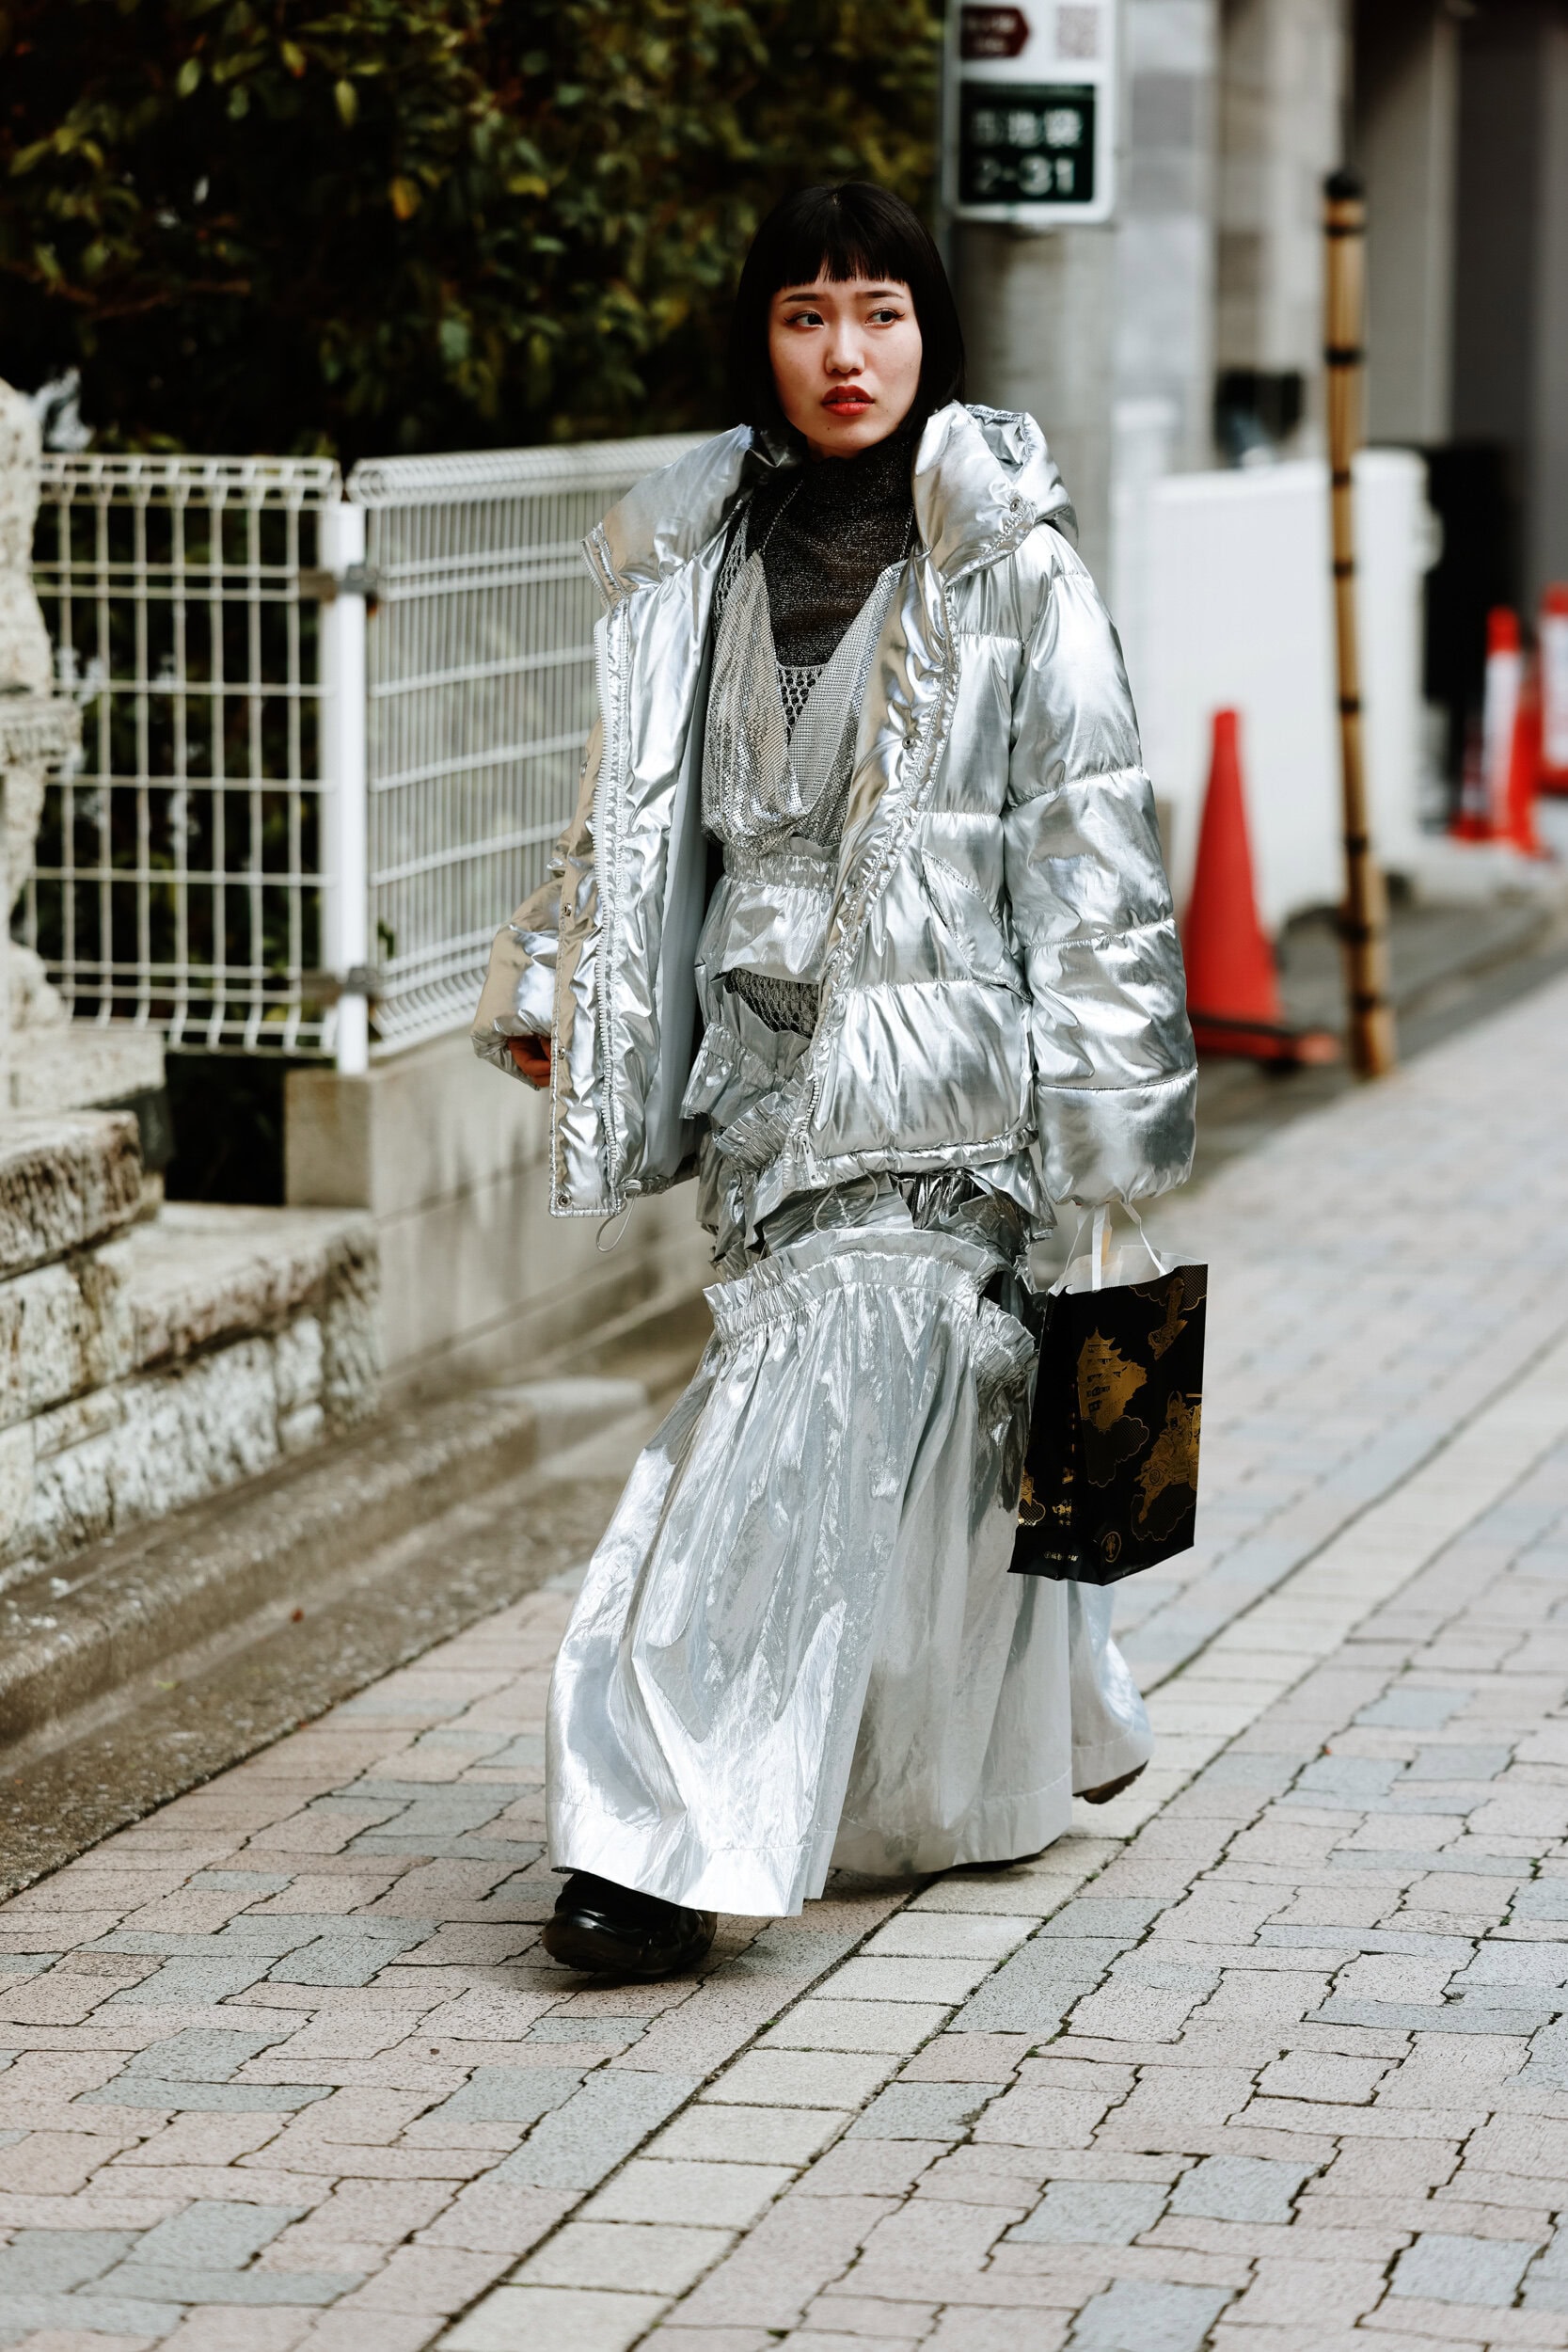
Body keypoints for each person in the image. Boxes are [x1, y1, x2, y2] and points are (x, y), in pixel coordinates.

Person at [473, 183, 1196, 1979]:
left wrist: (1113, 1130)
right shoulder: (693, 557)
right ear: (763, 342)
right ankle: (955, 1786)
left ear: (933, 333)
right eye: (807, 316)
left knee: (770, 1450)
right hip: (760, 1082)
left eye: (880, 312)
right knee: (927, 1455)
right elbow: (627, 823)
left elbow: (1094, 856)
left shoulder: (1012, 565)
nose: (846, 352)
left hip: (941, 1093)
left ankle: (657, 1846)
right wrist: (564, 986)